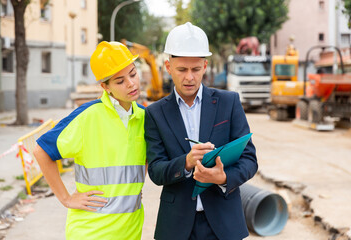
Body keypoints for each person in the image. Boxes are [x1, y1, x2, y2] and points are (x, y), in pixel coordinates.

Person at [144, 22, 258, 240]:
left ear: (205, 66)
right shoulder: (155, 113)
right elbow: (156, 171)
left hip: (224, 224)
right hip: (176, 227)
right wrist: (185, 162)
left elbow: (249, 159)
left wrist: (224, 176)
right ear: (168, 67)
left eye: (196, 69)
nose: (190, 77)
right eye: (182, 70)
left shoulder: (229, 102)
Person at [33, 41, 147, 239]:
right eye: (119, 81)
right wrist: (66, 198)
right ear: (105, 87)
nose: (131, 83)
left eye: (133, 73)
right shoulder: (88, 116)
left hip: (130, 231)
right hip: (91, 232)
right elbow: (41, 150)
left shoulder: (145, 117)